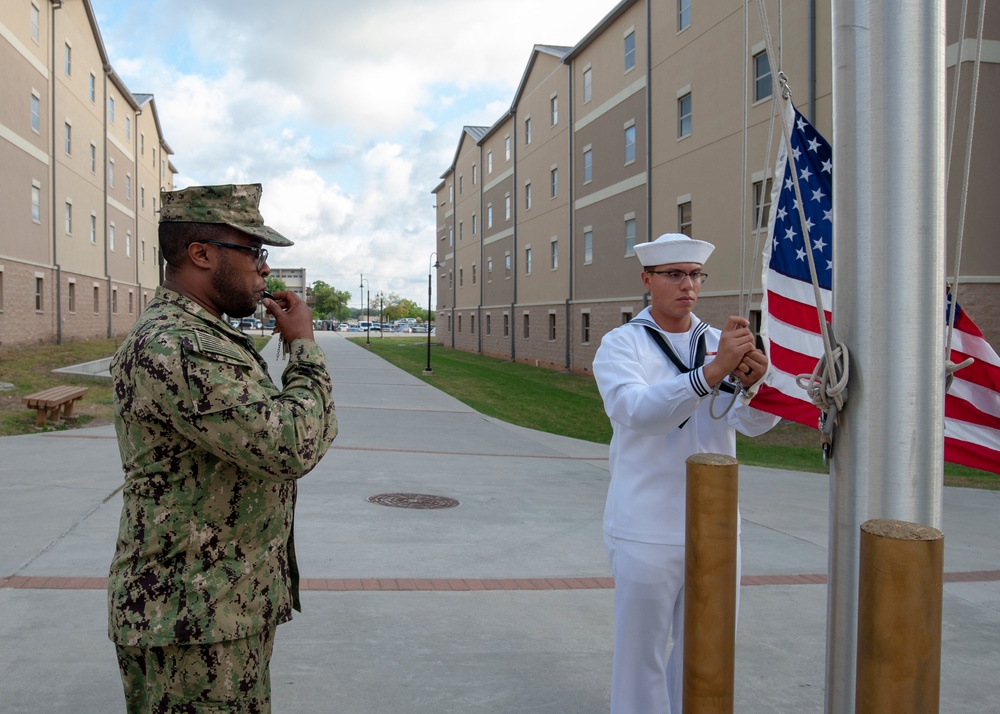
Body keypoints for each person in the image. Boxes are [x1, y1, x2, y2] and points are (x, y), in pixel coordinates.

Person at [108, 183, 338, 713]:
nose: (264, 270)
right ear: (202, 254)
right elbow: (290, 444)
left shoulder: (204, 336)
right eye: (255, 253)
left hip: (217, 610)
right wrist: (303, 348)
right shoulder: (178, 344)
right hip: (190, 623)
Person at [592, 233, 780, 713]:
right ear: (647, 280)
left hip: (715, 527)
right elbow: (639, 412)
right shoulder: (622, 345)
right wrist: (712, 373)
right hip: (645, 525)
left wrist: (756, 387)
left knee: (707, 653)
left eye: (695, 275)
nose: (688, 286)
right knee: (642, 655)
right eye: (674, 275)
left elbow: (754, 426)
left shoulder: (719, 343)